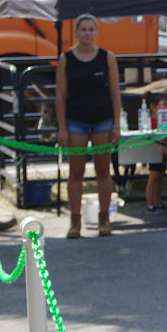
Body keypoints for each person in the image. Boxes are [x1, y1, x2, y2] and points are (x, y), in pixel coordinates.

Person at [55, 14, 122, 239]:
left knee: (103, 170)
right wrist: (62, 128)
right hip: (76, 121)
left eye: (91, 29)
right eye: (83, 29)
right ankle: (75, 221)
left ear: (96, 32)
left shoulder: (107, 57)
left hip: (103, 119)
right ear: (76, 32)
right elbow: (60, 95)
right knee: (76, 172)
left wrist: (116, 124)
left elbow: (115, 92)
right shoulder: (66, 59)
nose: (87, 33)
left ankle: (105, 218)